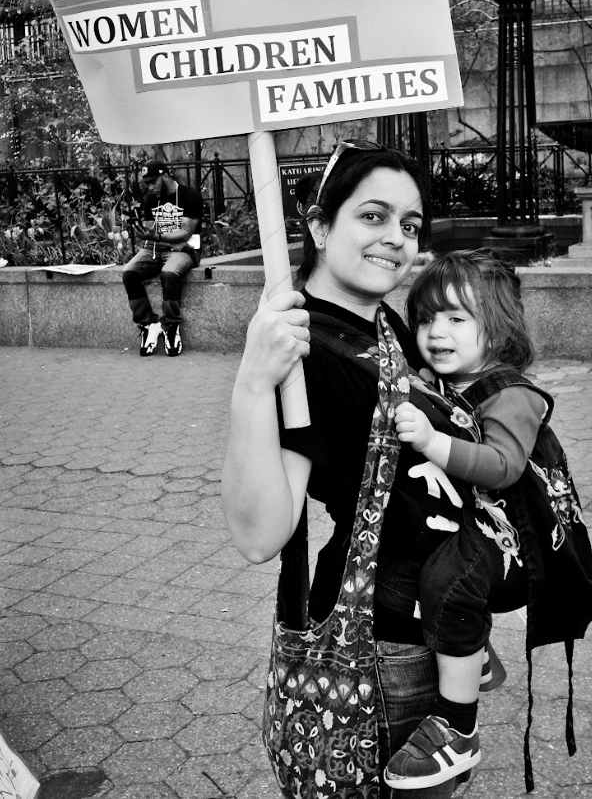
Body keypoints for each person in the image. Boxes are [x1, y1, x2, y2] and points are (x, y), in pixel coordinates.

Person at [221, 141, 487, 799]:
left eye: (410, 224)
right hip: (378, 649)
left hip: (430, 622)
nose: (396, 237)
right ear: (319, 227)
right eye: (373, 216)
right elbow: (259, 536)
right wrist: (252, 385)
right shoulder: (302, 351)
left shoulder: (383, 321)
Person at [383, 250, 544, 790]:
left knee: (447, 582)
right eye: (426, 318)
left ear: (497, 330)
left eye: (456, 318)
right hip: (465, 521)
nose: (436, 332)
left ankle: (458, 728)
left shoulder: (511, 394)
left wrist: (433, 441)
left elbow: (502, 466)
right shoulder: (444, 380)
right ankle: (471, 651)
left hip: (508, 536)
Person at [122, 161, 204, 357]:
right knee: (129, 273)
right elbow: (150, 232)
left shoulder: (189, 196)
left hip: (185, 251)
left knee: (169, 273)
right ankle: (148, 324)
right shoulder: (151, 199)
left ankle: (171, 326)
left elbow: (185, 233)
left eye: (153, 182)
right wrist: (165, 240)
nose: (150, 188)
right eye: (147, 184)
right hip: (158, 248)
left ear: (166, 176)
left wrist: (160, 238)